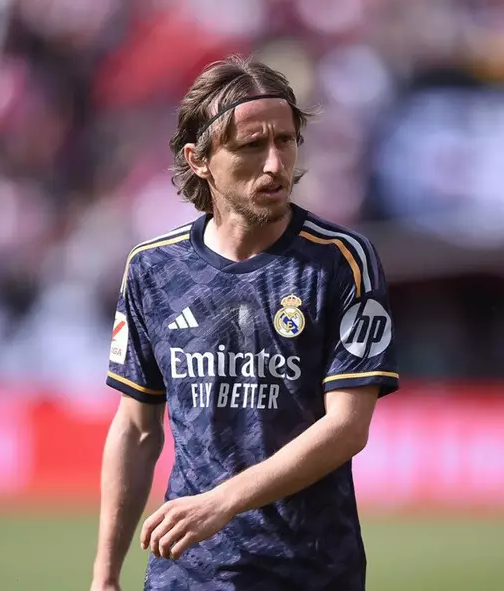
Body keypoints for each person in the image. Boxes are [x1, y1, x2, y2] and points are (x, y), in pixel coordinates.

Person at [90, 55, 399, 591]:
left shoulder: (341, 261)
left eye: (286, 141)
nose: (276, 164)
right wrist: (105, 574)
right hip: (187, 572)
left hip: (310, 572)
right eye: (252, 146)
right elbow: (136, 429)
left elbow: (348, 427)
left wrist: (222, 503)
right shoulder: (152, 269)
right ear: (200, 159)